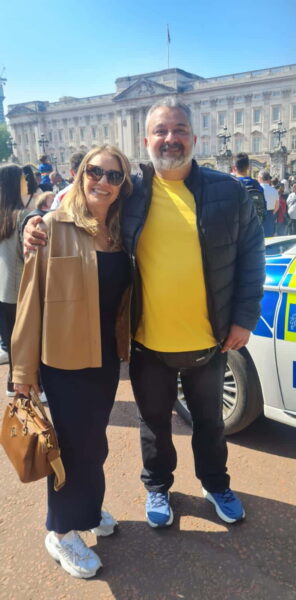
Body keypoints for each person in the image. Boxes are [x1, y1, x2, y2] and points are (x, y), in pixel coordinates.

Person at [24, 98, 266, 531]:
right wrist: (33, 220)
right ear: (146, 139)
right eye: (161, 131)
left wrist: (244, 317)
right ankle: (157, 485)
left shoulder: (227, 191)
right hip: (146, 339)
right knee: (153, 422)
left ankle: (215, 483)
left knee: (209, 423)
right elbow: (78, 206)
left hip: (208, 338)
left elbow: (252, 253)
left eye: (178, 130)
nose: (170, 139)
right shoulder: (131, 191)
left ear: (194, 137)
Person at [12, 145, 132, 579]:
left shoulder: (120, 231)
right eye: (94, 171)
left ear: (123, 186)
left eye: (113, 176)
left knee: (94, 442)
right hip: (62, 360)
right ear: (80, 174)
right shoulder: (50, 226)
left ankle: (87, 507)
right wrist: (23, 373)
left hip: (103, 359)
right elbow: (29, 302)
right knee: (70, 448)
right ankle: (61, 532)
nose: (102, 181)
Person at [0, 164, 30, 396]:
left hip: (2, 289)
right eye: (23, 179)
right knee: (26, 340)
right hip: (20, 288)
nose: (27, 182)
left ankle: (13, 382)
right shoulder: (22, 216)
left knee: (11, 340)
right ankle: (26, 384)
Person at [233, 152, 266, 224]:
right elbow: (264, 206)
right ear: (248, 167)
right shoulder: (256, 184)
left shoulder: (232, 184)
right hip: (254, 223)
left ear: (235, 168)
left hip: (237, 224)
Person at [258, 170, 279, 236]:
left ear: (260, 178)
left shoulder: (257, 189)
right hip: (270, 214)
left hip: (258, 214)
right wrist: (272, 213)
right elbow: (277, 206)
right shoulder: (274, 190)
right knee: (269, 237)